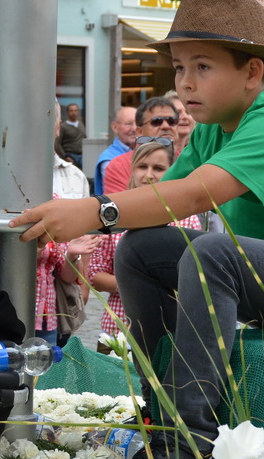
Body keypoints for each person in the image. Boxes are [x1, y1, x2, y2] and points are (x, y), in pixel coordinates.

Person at [16, 0, 264, 459]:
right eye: (179, 67)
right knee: (140, 248)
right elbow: (159, 207)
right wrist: (69, 213)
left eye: (203, 67)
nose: (185, 83)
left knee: (213, 252)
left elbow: (196, 195)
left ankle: (189, 443)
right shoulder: (212, 128)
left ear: (253, 72)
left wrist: (94, 209)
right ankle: (161, 413)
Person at [0, 102, 93, 339]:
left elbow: (64, 271)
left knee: (43, 375)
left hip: (46, 319)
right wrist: (30, 251)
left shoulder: (62, 190)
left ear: (57, 127)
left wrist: (74, 257)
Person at [84, 137, 203, 340]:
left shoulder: (186, 220)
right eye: (142, 167)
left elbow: (198, 275)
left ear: (171, 171)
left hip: (174, 329)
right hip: (119, 328)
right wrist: (136, 283)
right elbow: (95, 275)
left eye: (158, 168)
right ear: (132, 170)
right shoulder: (115, 216)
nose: (148, 175)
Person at [102, 96, 180, 195]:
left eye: (171, 121)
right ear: (139, 131)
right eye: (156, 121)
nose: (166, 126)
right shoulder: (118, 166)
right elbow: (121, 206)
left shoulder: (188, 161)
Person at [92, 106, 137, 194]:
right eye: (128, 124)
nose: (135, 128)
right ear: (115, 127)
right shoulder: (109, 160)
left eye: (138, 123)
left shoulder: (147, 152)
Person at [57, 102, 85, 169]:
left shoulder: (81, 124)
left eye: (75, 110)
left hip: (82, 155)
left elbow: (84, 138)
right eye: (71, 111)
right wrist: (65, 156)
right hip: (70, 155)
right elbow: (57, 143)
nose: (73, 113)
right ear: (67, 112)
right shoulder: (63, 126)